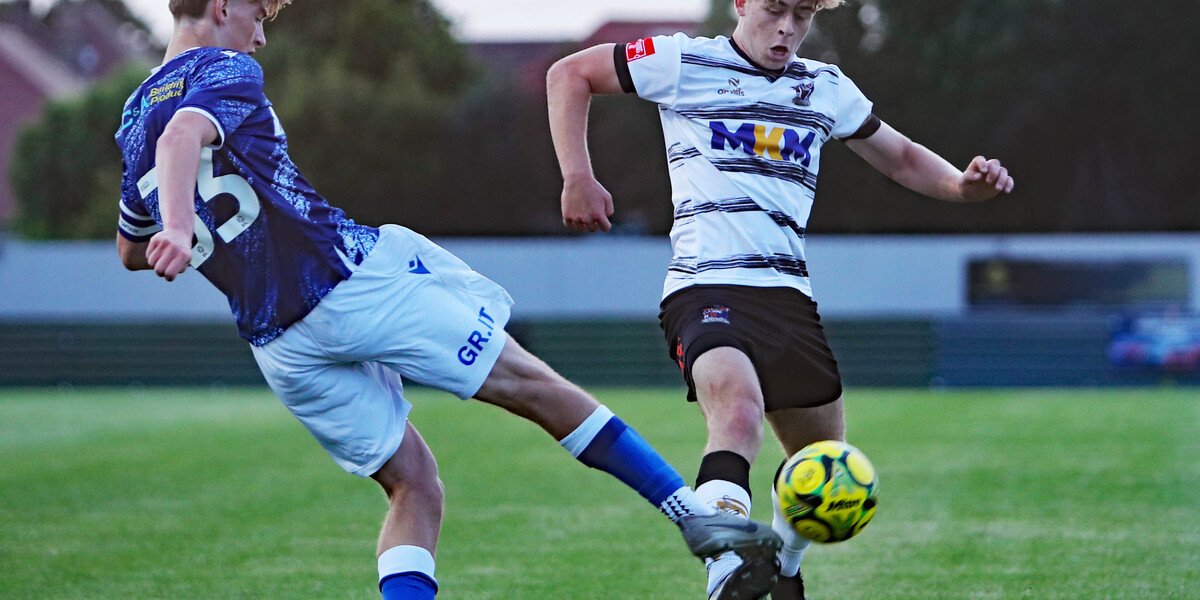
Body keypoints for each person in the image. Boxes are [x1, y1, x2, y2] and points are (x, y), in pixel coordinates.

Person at [114, 1, 783, 598]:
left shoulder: (132, 119)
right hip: (345, 281)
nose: (260, 36)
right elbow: (183, 139)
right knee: (532, 384)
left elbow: (128, 247)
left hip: (278, 342)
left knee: (415, 483)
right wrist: (179, 223)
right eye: (259, 15)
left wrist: (178, 239)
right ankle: (695, 519)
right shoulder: (224, 70)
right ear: (222, 6)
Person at [546, 1, 1015, 598]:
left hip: (789, 299)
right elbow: (570, 74)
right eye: (774, 9)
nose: (787, 27)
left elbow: (898, 157)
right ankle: (726, 569)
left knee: (822, 463)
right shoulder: (683, 61)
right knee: (738, 414)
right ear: (742, 4)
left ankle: (784, 569)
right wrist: (577, 176)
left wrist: (959, 186)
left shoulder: (825, 87)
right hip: (705, 285)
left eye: (802, 13)